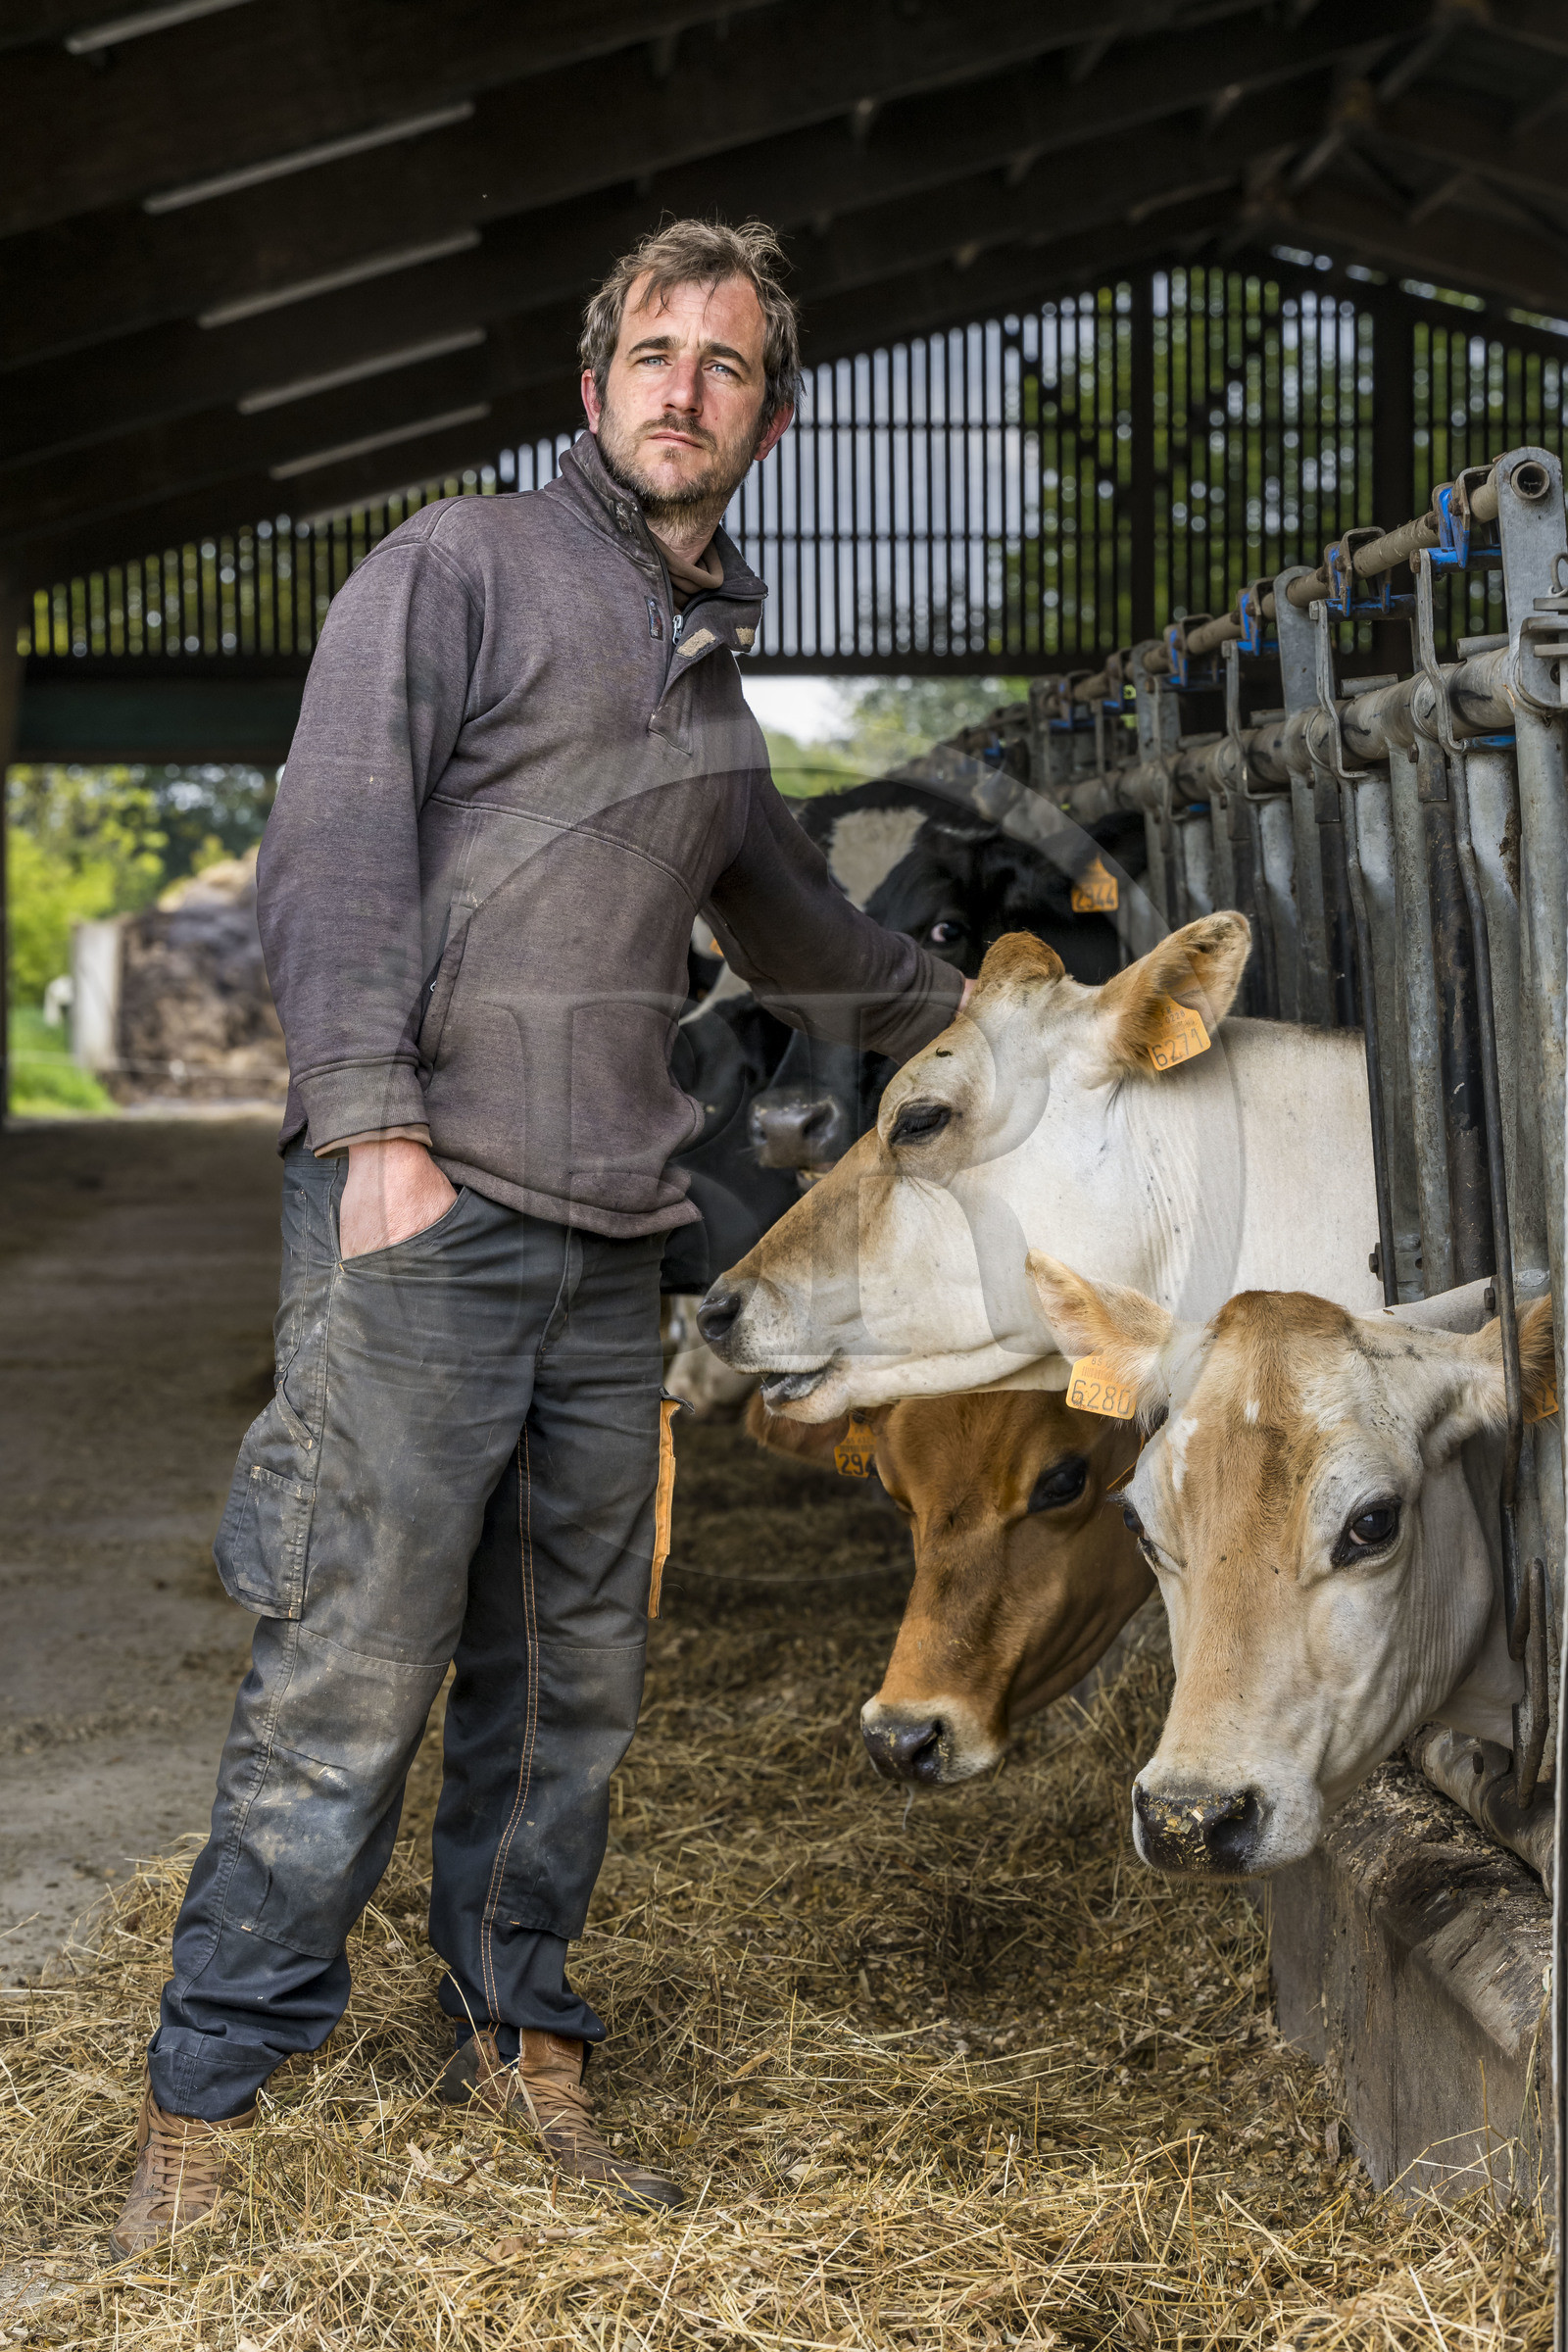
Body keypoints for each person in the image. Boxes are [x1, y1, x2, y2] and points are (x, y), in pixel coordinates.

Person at [111, 218, 967, 2255]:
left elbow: (804, 940)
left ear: (767, 419)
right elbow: (332, 842)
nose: (682, 386)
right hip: (426, 1211)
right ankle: (211, 2088)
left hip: (608, 1243)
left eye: (726, 363)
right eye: (649, 352)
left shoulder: (709, 691)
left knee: (565, 1676)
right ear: (591, 391)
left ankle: (516, 2037)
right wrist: (376, 1127)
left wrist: (1012, 1017)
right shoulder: (459, 568)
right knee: (351, 1658)